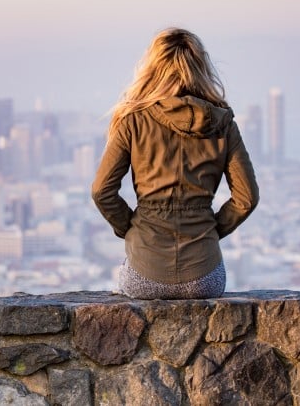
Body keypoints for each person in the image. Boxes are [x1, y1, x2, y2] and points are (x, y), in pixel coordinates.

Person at [91, 28, 259, 299]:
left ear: (152, 68)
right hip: (205, 277)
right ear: (201, 67)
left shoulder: (133, 121)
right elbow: (247, 198)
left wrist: (132, 228)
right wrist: (211, 230)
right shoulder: (224, 124)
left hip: (145, 273)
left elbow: (101, 191)